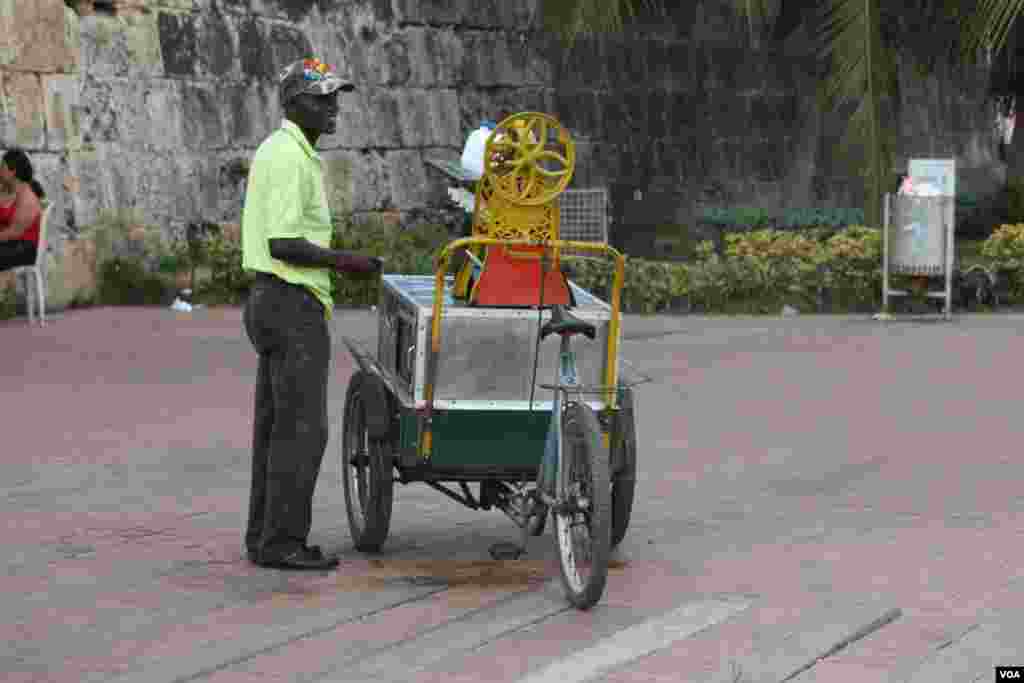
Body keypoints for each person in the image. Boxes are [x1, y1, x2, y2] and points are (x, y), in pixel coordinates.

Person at [241, 57, 383, 571]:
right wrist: (350, 263)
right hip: (290, 300)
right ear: (294, 103)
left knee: (277, 426)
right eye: (322, 99)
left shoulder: (288, 152)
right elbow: (283, 242)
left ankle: (265, 537)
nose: (333, 108)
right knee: (302, 429)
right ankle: (281, 542)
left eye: (335, 97)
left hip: (275, 300)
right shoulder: (288, 157)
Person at [0, 149, 45, 272]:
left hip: (24, 249)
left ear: (12, 172)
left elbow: (13, 233)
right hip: (11, 243)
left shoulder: (27, 198)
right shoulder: (9, 191)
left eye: (2, 167)